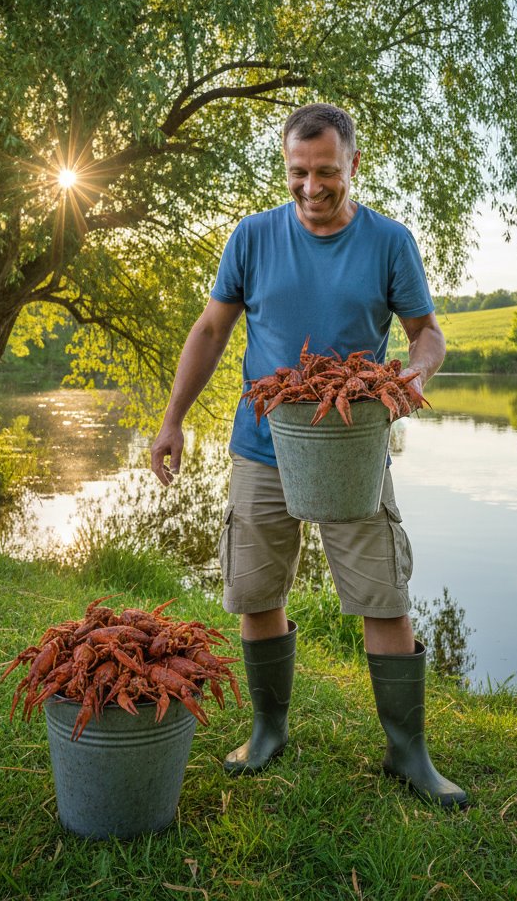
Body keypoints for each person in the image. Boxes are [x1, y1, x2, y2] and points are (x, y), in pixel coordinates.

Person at [149, 103, 467, 808]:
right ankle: (268, 730)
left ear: (354, 163)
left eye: (327, 171)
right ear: (286, 166)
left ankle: (407, 751)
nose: (312, 187)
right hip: (261, 446)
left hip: (354, 447)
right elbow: (210, 330)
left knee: (383, 591)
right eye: (299, 171)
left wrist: (417, 372)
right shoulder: (252, 237)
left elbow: (427, 332)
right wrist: (172, 420)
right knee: (257, 590)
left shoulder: (389, 242)